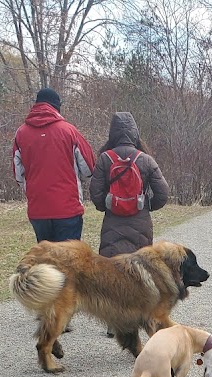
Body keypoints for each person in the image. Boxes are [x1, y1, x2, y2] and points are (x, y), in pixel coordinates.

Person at [12, 88, 95, 242]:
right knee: (67, 262)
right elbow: (89, 168)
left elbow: (18, 175)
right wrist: (76, 178)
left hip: (38, 210)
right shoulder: (69, 131)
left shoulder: (21, 133)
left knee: (46, 262)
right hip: (68, 208)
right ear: (57, 106)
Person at [89, 112, 169, 257]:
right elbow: (163, 193)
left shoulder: (104, 159)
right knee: (140, 266)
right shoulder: (146, 159)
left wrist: (107, 205)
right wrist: (146, 205)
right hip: (140, 222)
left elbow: (95, 193)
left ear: (112, 133)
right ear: (135, 133)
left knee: (111, 266)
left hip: (112, 223)